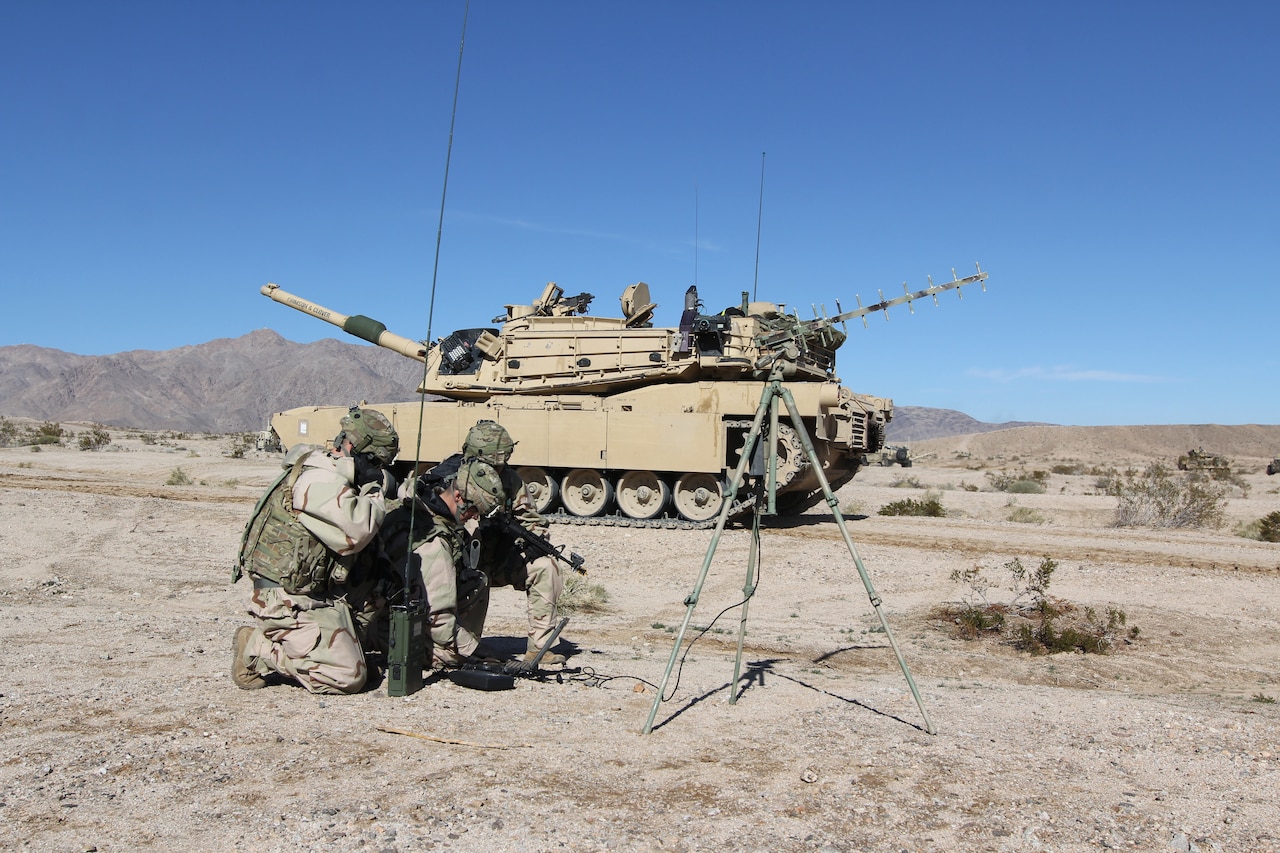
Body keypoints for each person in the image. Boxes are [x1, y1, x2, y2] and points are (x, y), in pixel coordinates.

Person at [231, 407, 399, 694]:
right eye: (373, 461)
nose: (376, 469)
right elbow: (356, 531)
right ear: (351, 447)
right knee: (348, 678)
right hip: (284, 598)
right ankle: (259, 650)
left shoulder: (331, 473)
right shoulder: (319, 477)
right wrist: (374, 491)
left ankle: (335, 650)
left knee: (380, 585)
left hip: (313, 589)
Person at [429, 420, 568, 666]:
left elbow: (532, 520)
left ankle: (540, 647)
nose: (499, 470)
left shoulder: (510, 482)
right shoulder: (445, 478)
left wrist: (532, 539)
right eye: (493, 464)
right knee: (475, 579)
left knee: (547, 567)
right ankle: (463, 648)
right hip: (457, 564)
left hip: (498, 555)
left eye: (502, 464)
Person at [379, 457, 506, 667]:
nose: (473, 518)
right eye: (473, 510)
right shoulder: (435, 544)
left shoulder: (423, 508)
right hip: (388, 624)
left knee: (475, 580)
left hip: (392, 604)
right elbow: (438, 620)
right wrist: (472, 649)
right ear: (457, 496)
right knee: (455, 656)